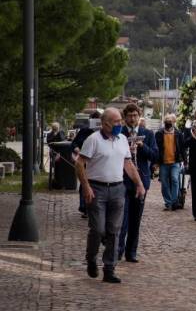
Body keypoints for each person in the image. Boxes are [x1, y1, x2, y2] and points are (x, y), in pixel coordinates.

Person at [74, 108, 146, 283]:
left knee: (114, 230)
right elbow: (79, 163)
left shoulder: (122, 140)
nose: (119, 124)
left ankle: (109, 268)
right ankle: (91, 258)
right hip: (97, 189)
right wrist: (86, 187)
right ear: (105, 123)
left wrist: (139, 184)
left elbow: (128, 164)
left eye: (120, 121)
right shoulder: (93, 140)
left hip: (117, 189)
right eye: (116, 122)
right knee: (98, 229)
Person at [118, 104, 158, 263]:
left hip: (142, 179)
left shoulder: (147, 133)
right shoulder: (120, 133)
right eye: (130, 116)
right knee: (122, 219)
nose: (133, 118)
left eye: (135, 115)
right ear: (125, 117)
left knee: (136, 219)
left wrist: (143, 147)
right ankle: (118, 250)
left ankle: (131, 252)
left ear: (139, 116)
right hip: (122, 180)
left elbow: (155, 155)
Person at [72, 111, 102, 218]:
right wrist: (76, 149)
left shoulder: (104, 132)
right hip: (84, 161)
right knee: (84, 183)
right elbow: (74, 143)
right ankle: (84, 207)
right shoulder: (84, 131)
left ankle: (95, 207)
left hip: (98, 162)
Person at [155, 114, 185, 211]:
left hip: (175, 161)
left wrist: (184, 160)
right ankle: (168, 202)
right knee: (164, 182)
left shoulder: (178, 133)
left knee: (175, 179)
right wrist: (156, 162)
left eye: (170, 122)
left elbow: (182, 148)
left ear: (173, 123)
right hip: (163, 162)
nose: (168, 124)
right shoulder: (159, 133)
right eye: (167, 122)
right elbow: (157, 148)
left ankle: (174, 201)